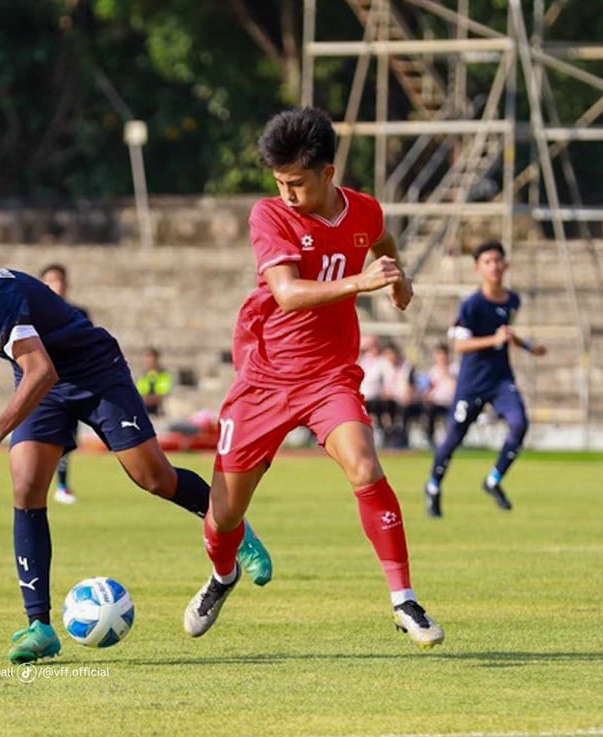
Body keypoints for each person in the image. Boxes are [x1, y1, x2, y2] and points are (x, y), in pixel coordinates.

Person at [0, 223, 273, 664]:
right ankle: (39, 626)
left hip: (92, 370)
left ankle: (234, 530)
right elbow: (34, 367)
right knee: (27, 487)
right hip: (43, 378)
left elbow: (41, 371)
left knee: (153, 477)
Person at [182, 106, 444, 649]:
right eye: (279, 182)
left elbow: (382, 240)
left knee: (365, 466)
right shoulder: (270, 216)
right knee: (225, 512)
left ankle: (404, 600)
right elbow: (288, 294)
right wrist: (364, 282)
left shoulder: (364, 210)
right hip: (265, 378)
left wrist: (398, 281)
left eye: (296, 183)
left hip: (330, 376)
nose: (287, 193)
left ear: (328, 174)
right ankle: (222, 576)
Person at [423, 240, 547, 518]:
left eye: (497, 260)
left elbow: (506, 332)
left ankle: (493, 480)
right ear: (478, 268)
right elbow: (459, 346)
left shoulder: (513, 300)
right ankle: (433, 487)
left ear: (506, 264)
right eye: (487, 262)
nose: (494, 266)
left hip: (501, 379)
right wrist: (495, 339)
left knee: (520, 423)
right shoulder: (472, 305)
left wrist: (528, 347)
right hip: (472, 383)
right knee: (454, 439)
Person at [39, 263, 85, 505]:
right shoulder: (33, 314)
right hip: (45, 388)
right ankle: (45, 487)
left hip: (74, 385)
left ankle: (63, 485)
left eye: (58, 280)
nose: (55, 285)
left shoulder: (79, 313)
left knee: (67, 440)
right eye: (49, 281)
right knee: (43, 440)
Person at [421, 342, 458, 450]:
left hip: (452, 402)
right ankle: (430, 439)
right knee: (428, 410)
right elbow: (430, 388)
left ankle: (452, 440)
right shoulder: (434, 371)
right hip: (437, 402)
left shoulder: (455, 369)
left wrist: (446, 374)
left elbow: (456, 386)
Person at [135, 346, 174, 417]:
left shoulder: (165, 376)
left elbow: (161, 396)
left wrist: (147, 399)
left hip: (159, 412)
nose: (150, 361)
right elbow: (139, 394)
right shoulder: (143, 376)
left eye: (152, 359)